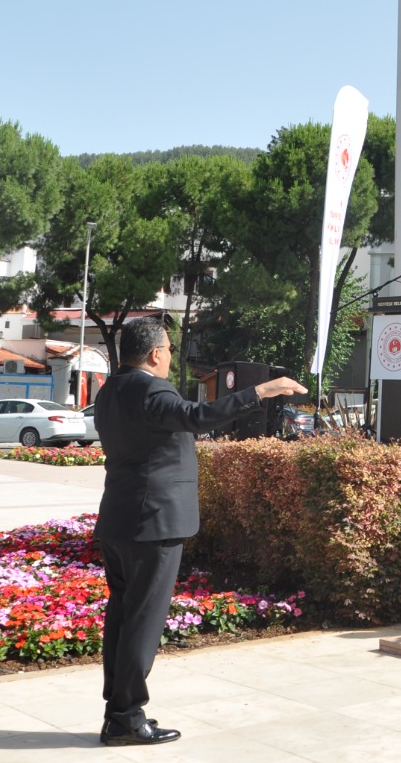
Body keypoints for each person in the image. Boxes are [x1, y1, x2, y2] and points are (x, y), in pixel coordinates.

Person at [95, 317, 306, 746]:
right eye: (169, 349)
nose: (170, 356)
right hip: (152, 521)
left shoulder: (110, 391)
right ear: (155, 354)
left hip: (119, 518)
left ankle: (117, 710)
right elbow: (198, 416)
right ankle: (126, 717)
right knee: (142, 621)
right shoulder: (151, 389)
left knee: (122, 618)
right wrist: (260, 391)